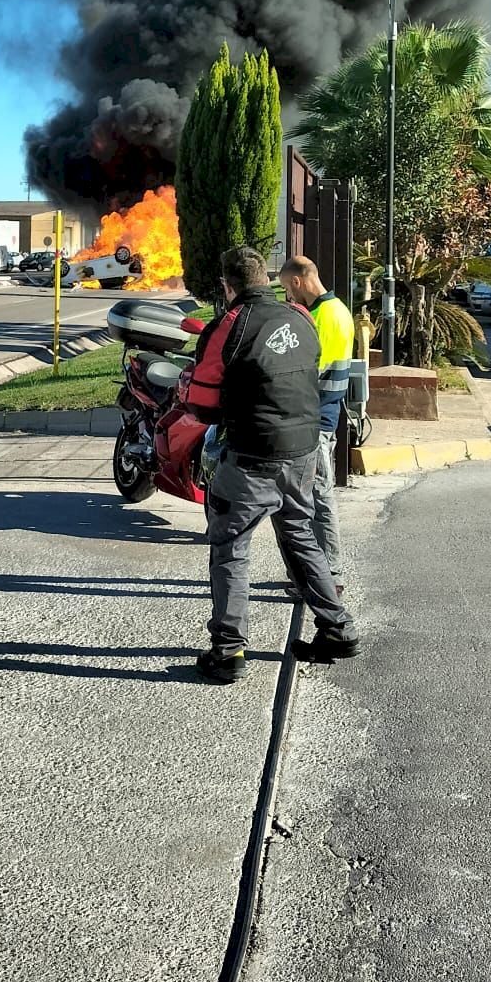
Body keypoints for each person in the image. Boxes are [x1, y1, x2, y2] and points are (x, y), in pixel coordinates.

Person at [186, 245, 359, 683]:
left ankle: (228, 651)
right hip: (303, 451)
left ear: (227, 286)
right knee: (300, 535)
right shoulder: (300, 317)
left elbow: (201, 404)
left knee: (231, 547)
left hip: (251, 456)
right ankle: (337, 628)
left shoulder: (229, 325)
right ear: (266, 279)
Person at [278, 254, 355, 586]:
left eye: (287, 288)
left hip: (315, 420)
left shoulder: (321, 317)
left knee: (320, 496)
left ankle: (329, 576)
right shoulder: (338, 310)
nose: (288, 296)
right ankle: (318, 574)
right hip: (326, 414)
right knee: (313, 495)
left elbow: (307, 373)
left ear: (297, 281)